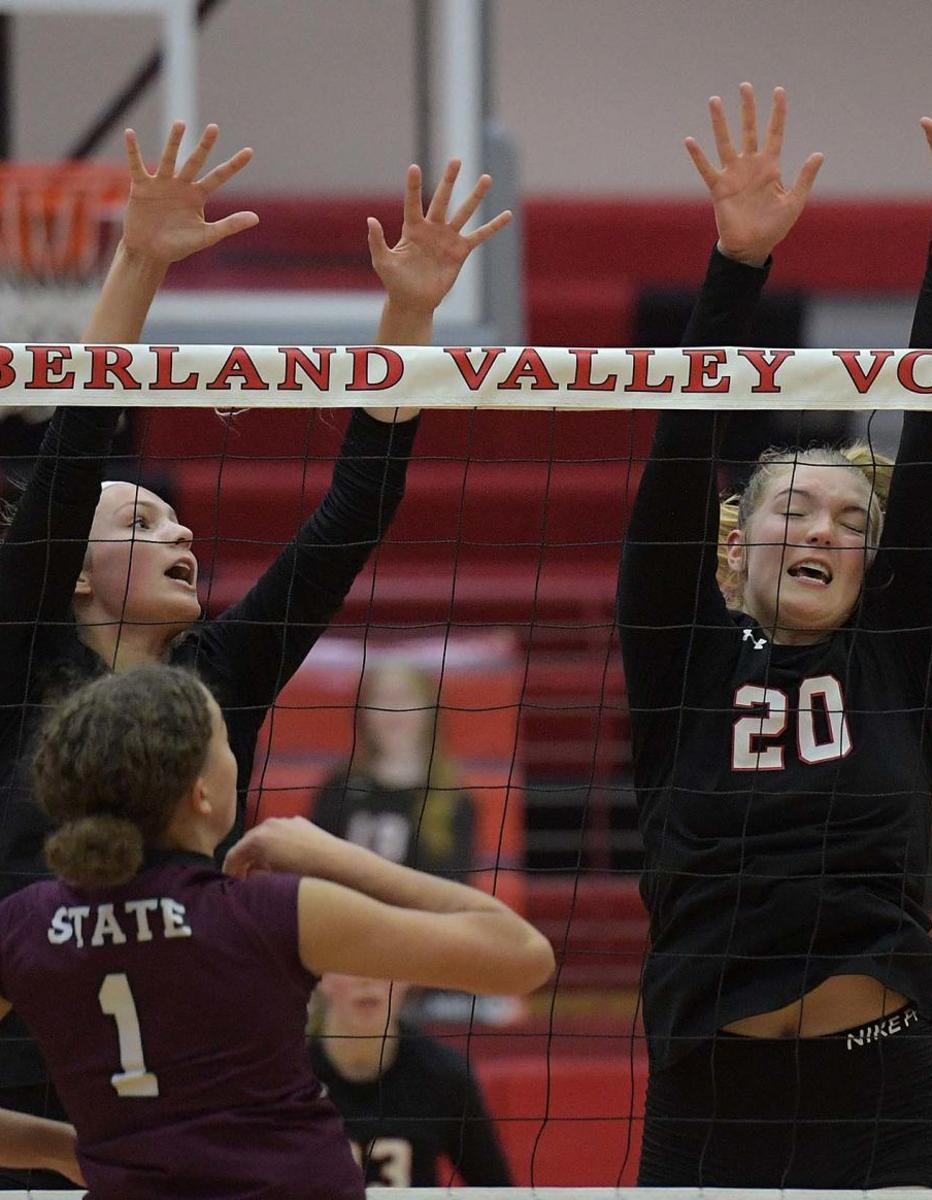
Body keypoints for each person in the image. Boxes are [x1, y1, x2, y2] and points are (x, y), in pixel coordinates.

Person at [0, 120, 511, 1187]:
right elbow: (77, 444)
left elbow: (350, 520)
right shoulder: (21, 651)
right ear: (74, 570)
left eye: (173, 519)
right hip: (24, 1091)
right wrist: (139, 260)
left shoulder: (217, 680)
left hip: (186, 1109)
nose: (181, 529)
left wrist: (409, 315)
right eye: (140, 524)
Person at [619, 55, 932, 1189]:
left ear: (875, 563)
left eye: (852, 519)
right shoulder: (680, 657)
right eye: (796, 510)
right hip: (708, 1101)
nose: (824, 529)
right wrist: (737, 263)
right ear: (735, 542)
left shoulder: (895, 659)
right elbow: (681, 446)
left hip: (884, 1095)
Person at [0, 665, 552, 1196]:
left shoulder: (25, 924)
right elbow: (523, 955)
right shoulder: (267, 913)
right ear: (201, 793)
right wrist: (339, 858)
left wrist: (68, 1149)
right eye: (224, 741)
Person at [309, 974, 513, 1187]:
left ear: (406, 976)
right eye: (352, 966)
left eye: (383, 965)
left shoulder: (444, 1075)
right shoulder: (293, 1078)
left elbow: (497, 1189)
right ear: (321, 976)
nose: (367, 980)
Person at [312, 657, 476, 882]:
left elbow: (456, 891)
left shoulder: (452, 800)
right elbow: (312, 873)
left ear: (430, 710)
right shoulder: (338, 789)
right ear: (363, 712)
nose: (393, 708)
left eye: (405, 696)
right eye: (380, 697)